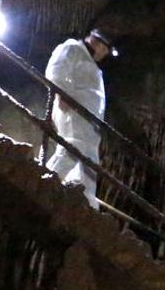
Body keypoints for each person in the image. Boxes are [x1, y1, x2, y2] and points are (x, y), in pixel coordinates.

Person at [44, 29, 116, 208]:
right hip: (74, 113)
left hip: (90, 122)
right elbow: (56, 70)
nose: (104, 54)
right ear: (96, 42)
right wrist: (62, 94)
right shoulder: (73, 48)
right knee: (73, 148)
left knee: (89, 162)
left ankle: (86, 204)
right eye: (105, 50)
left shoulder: (92, 66)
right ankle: (45, 181)